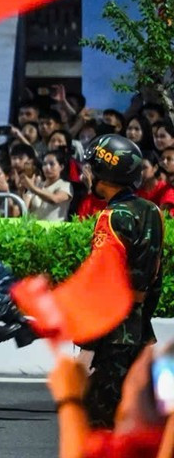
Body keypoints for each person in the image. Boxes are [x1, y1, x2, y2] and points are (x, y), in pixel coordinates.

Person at [80, 134, 166, 426]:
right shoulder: (152, 211)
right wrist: (141, 320)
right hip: (139, 331)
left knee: (100, 423)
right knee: (138, 421)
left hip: (112, 337)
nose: (86, 174)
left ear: (105, 174)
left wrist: (88, 346)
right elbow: (155, 278)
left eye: (91, 168)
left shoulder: (111, 218)